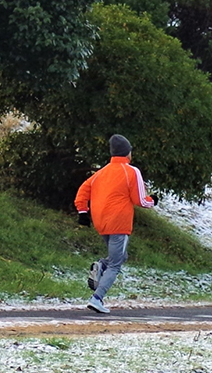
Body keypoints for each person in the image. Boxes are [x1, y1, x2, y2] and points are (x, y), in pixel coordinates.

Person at [75, 134, 158, 313]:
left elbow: (83, 189)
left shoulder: (101, 172)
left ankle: (101, 266)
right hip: (119, 222)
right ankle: (97, 298)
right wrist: (153, 201)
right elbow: (140, 200)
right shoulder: (131, 171)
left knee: (119, 256)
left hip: (101, 221)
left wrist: (83, 211)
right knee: (116, 264)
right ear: (128, 153)